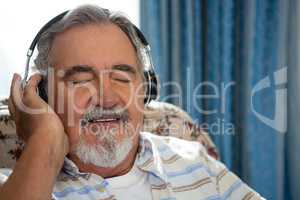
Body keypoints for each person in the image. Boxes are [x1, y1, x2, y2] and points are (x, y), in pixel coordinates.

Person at [0, 4, 264, 200]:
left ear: (146, 88)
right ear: (43, 95)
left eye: (122, 78)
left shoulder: (196, 160)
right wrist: (44, 141)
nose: (107, 97)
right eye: (80, 80)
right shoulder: (17, 185)